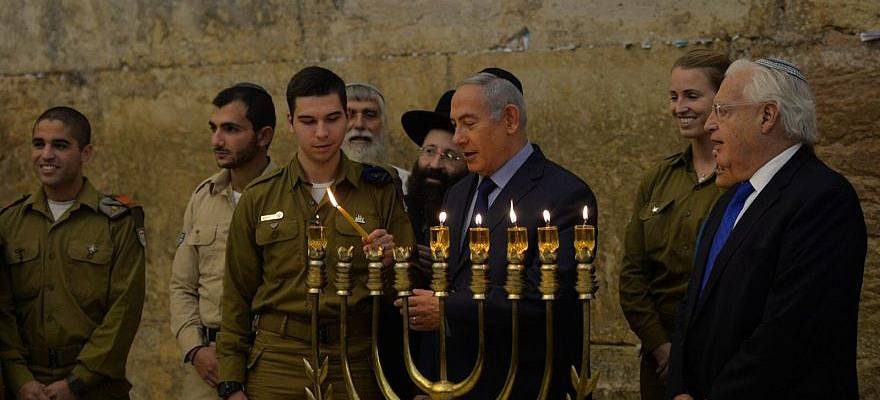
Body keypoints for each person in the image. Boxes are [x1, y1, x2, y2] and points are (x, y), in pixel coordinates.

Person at [668, 58, 867, 400]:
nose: (709, 125)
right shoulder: (730, 200)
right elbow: (693, 305)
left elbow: (789, 331)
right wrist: (679, 387)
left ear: (767, 116)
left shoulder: (822, 199)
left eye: (723, 111)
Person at [215, 66, 416, 400]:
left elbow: (409, 284)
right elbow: (237, 295)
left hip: (355, 359)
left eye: (332, 119)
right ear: (291, 123)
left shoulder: (378, 189)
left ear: (345, 120)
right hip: (279, 360)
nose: (322, 133)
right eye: (308, 121)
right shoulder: (260, 196)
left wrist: (394, 258)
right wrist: (231, 383)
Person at [404, 69, 598, 399]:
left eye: (468, 123)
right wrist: (432, 380)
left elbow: (547, 295)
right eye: (455, 126)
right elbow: (448, 282)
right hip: (456, 382)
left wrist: (449, 308)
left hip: (525, 384)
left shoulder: (564, 195)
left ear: (509, 119)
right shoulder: (459, 193)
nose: (458, 138)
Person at [0, 106, 146, 399]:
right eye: (38, 144)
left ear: (87, 153)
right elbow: (2, 312)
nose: (47, 155)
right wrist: (20, 380)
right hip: (26, 387)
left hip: (96, 387)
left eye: (60, 145)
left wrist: (77, 382)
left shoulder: (116, 222)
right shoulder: (9, 223)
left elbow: (123, 311)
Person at [618, 49, 729, 400]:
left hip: (721, 356)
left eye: (692, 96)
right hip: (660, 360)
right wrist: (661, 348)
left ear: (722, 99)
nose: (679, 107)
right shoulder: (658, 178)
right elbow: (633, 272)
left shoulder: (740, 181)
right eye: (673, 96)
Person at [169, 83, 278, 399]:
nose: (217, 140)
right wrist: (195, 349)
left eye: (231, 129)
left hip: (269, 360)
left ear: (264, 136)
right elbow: (182, 285)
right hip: (209, 365)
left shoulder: (288, 195)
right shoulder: (203, 197)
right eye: (214, 128)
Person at [343, 83, 411, 192]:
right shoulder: (315, 183)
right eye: (349, 115)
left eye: (369, 115)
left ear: (383, 124)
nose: (359, 125)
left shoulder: (406, 185)